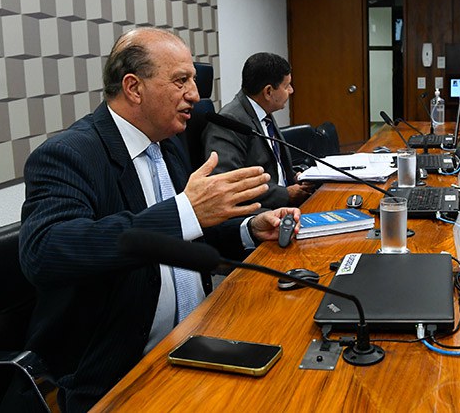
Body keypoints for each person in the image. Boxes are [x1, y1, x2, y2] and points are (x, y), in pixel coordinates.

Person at [19, 28, 300, 412]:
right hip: (120, 370)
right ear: (134, 88)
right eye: (181, 81)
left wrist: (248, 229)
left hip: (200, 337)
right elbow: (46, 251)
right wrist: (186, 211)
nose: (195, 96)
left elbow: (188, 230)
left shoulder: (167, 144)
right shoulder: (68, 154)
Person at [202, 52, 316, 208]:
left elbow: (273, 163)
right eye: (286, 86)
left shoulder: (263, 111)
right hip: (263, 213)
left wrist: (296, 176)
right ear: (268, 92)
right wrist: (286, 194)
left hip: (286, 203)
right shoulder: (229, 122)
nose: (291, 90)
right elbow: (229, 183)